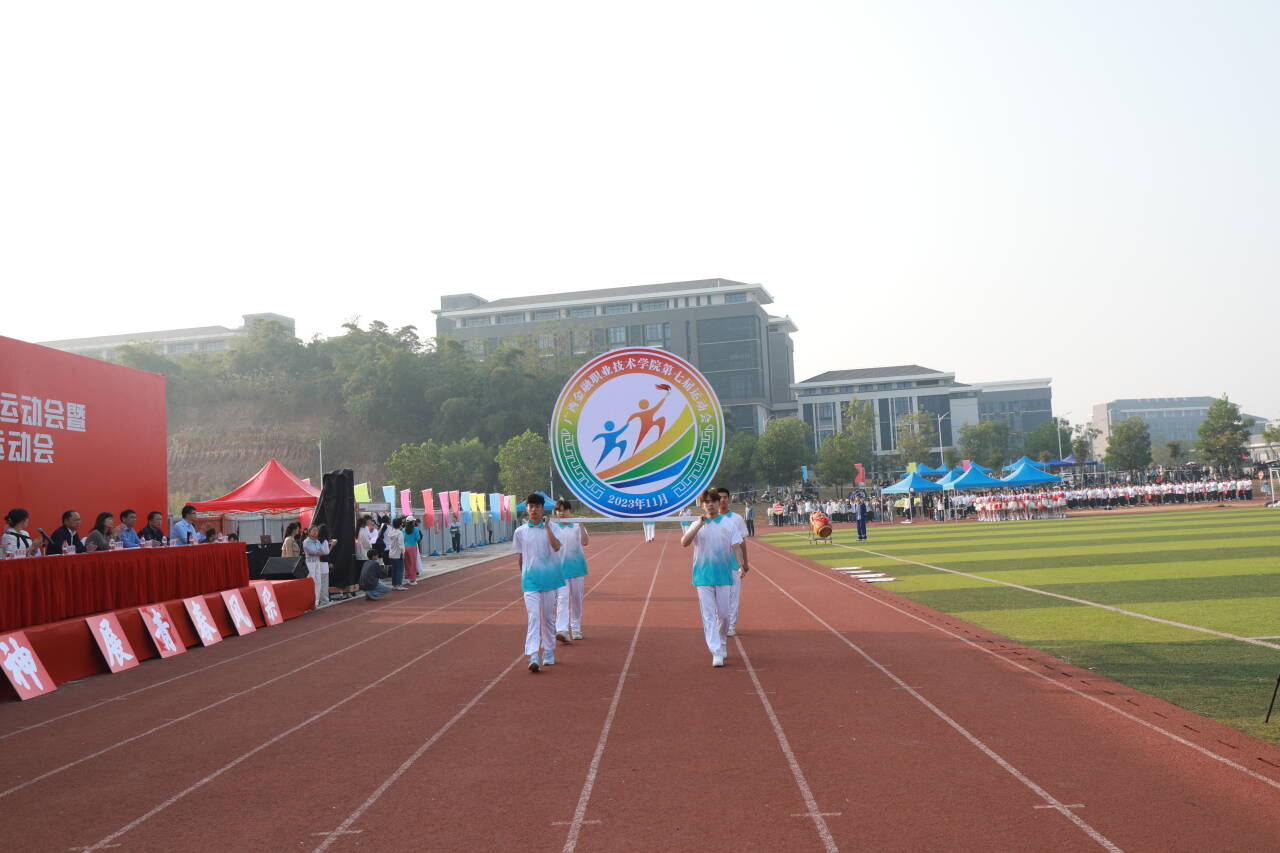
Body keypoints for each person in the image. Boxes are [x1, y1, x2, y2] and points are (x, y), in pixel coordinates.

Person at [680, 488, 742, 667]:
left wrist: (741, 565)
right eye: (706, 502)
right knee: (708, 616)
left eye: (713, 501)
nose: (710, 505)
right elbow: (684, 542)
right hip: (703, 576)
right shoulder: (697, 523)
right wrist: (699, 525)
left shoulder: (729, 524)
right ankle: (716, 651)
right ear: (703, 505)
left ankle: (722, 643)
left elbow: (736, 547)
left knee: (724, 615)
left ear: (718, 503)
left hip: (723, 575)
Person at [513, 493, 563, 672]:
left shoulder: (554, 527)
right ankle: (533, 654)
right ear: (527, 509)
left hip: (549, 580)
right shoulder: (520, 532)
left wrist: (547, 527)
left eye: (537, 506)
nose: (534, 510)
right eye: (531, 506)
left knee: (548, 618)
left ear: (542, 509)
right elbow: (521, 556)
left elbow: (556, 546)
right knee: (534, 617)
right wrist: (523, 576)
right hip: (530, 582)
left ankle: (548, 650)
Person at [553, 498, 589, 643]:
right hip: (560, 571)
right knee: (562, 599)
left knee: (576, 600)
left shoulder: (576, 526)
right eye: (558, 510)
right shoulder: (554, 528)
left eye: (564, 510)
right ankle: (562, 629)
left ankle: (576, 628)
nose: (561, 513)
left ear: (570, 511)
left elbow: (585, 542)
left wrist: (582, 525)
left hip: (577, 569)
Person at [716, 487, 750, 637]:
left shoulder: (737, 519)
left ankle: (731, 626)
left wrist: (745, 563)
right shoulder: (711, 518)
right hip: (716, 565)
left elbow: (742, 542)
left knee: (733, 597)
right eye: (720, 497)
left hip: (734, 564)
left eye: (725, 497)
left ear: (728, 499)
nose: (722, 500)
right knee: (718, 597)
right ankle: (719, 624)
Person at [303, 525, 334, 607]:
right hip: (310, 563)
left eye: (316, 530)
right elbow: (311, 552)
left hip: (317, 562)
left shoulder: (317, 542)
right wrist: (318, 553)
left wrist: (318, 553)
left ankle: (316, 601)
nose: (315, 532)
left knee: (318, 582)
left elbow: (322, 552)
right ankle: (310, 601)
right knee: (311, 581)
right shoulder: (306, 541)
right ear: (309, 532)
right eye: (313, 530)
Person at [386, 517, 406, 590]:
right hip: (398, 553)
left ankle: (394, 584)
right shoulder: (400, 533)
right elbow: (401, 544)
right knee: (400, 569)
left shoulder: (390, 532)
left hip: (391, 553)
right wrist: (403, 553)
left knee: (394, 570)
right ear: (400, 525)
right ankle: (399, 584)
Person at [402, 517, 422, 586]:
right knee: (413, 563)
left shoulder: (403, 529)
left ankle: (407, 577)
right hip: (413, 547)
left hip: (405, 546)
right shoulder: (416, 529)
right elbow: (418, 538)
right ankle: (412, 580)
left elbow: (403, 538)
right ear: (412, 522)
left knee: (407, 563)